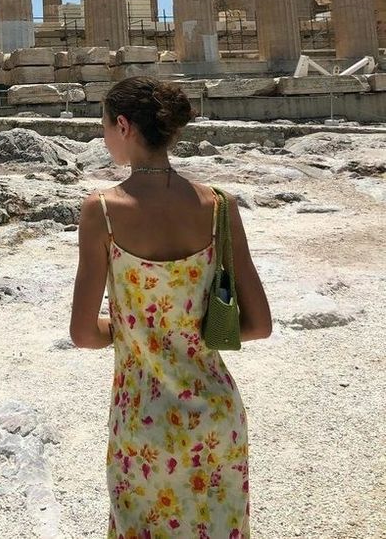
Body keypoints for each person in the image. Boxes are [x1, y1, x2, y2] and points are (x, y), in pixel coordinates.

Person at [70, 76, 272, 539]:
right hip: (218, 417)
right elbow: (259, 325)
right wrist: (189, 329)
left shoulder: (101, 210)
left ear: (123, 126)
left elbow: (83, 334)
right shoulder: (220, 205)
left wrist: (133, 328)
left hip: (144, 421)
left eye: (104, 126)